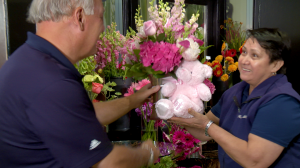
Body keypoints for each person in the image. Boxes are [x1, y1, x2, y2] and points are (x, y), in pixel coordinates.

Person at [0, 0, 161, 167]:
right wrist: (147, 152)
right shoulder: (53, 83)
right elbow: (107, 163)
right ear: (80, 17)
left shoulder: (26, 62)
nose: (103, 28)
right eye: (100, 17)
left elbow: (80, 116)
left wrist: (134, 100)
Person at [168, 28, 300, 168]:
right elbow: (203, 132)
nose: (244, 60)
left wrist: (207, 126)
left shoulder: (282, 102)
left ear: (276, 64)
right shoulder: (235, 92)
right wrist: (177, 114)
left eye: (254, 55)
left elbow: (254, 161)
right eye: (244, 52)